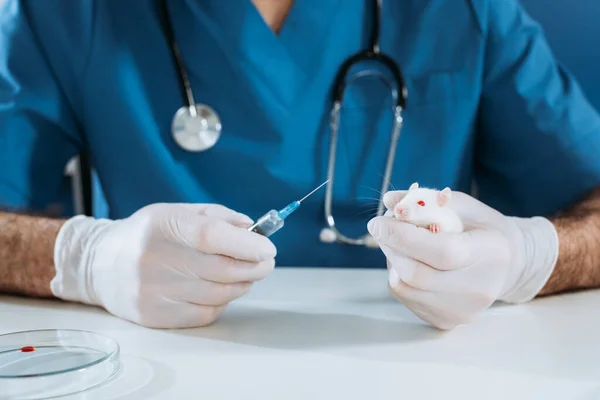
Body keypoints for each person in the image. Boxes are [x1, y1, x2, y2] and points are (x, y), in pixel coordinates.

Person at [1, 0, 600, 330]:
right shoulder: (63, 12)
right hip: (159, 365)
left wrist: (529, 256)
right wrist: (82, 259)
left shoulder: (466, 12)